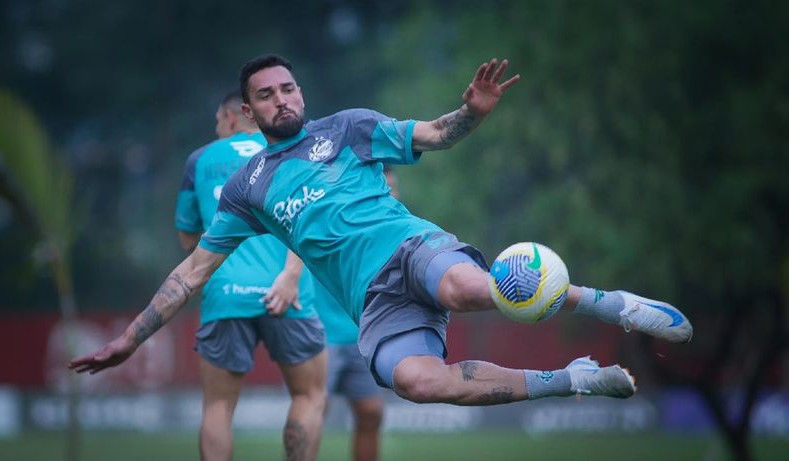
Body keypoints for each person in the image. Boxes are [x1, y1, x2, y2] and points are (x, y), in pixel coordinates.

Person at [71, 55, 693, 412]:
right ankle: (574, 379)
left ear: (300, 92)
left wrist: (471, 114)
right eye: (267, 95)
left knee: (464, 289)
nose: (282, 99)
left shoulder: (346, 128)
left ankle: (617, 305)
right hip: (372, 302)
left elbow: (434, 135)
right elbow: (190, 274)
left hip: (411, 248)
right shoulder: (247, 188)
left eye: (288, 88)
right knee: (417, 383)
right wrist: (129, 339)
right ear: (249, 109)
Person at [174, 90, 327, 461]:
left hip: (225, 293)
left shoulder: (200, 160)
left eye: (216, 123)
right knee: (309, 396)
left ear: (228, 120)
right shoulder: (291, 149)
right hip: (287, 291)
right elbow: (310, 219)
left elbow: (187, 238)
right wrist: (290, 275)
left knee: (217, 408)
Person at [317, 167, 398, 461]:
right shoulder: (337, 223)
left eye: (394, 190)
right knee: (313, 409)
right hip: (322, 334)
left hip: (363, 337)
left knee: (370, 412)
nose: (392, 196)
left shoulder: (395, 235)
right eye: (385, 190)